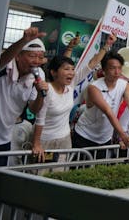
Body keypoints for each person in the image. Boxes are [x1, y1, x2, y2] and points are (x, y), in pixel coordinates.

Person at [31, 33, 115, 166]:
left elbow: (92, 64)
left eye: (72, 69)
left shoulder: (70, 86)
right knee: (42, 173)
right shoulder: (47, 91)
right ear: (53, 72)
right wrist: (36, 144)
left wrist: (107, 45)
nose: (71, 72)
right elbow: (39, 119)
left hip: (64, 140)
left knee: (60, 174)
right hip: (46, 141)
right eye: (66, 69)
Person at [0, 27, 48, 166]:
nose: (36, 61)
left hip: (4, 140)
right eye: (32, 56)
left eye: (40, 57)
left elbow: (33, 109)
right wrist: (24, 40)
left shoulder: (39, 75)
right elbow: (2, 59)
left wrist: (40, 95)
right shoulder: (4, 67)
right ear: (18, 56)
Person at [72, 50, 129, 158]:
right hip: (84, 134)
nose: (117, 72)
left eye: (119, 68)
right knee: (77, 171)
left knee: (99, 170)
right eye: (112, 68)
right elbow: (108, 112)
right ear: (104, 70)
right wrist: (123, 136)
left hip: (104, 138)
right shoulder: (94, 87)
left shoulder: (125, 85)